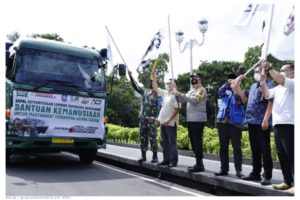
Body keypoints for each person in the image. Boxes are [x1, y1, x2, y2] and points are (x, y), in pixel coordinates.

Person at [260, 62, 294, 195]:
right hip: (278, 123)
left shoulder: (294, 83)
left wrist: (269, 68)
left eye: (284, 70)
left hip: (290, 123)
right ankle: (287, 181)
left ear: (293, 71)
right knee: (282, 154)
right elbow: (267, 94)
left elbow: (281, 78)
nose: (281, 72)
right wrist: (263, 83)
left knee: (293, 154)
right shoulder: (278, 87)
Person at [239, 66, 275, 186]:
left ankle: (267, 175)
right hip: (251, 121)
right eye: (254, 72)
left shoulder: (269, 84)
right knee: (255, 149)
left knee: (265, 149)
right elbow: (245, 99)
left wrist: (266, 119)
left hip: (262, 122)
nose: (255, 74)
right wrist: (238, 86)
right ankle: (255, 173)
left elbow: (270, 102)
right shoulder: (253, 86)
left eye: (257, 72)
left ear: (264, 73)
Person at [214, 74, 246, 178]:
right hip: (222, 122)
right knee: (223, 147)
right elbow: (220, 91)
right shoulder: (225, 93)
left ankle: (238, 170)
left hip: (235, 124)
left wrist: (236, 87)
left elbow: (240, 101)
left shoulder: (243, 92)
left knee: (237, 148)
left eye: (236, 81)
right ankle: (224, 169)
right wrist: (229, 82)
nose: (234, 83)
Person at [174, 73, 207, 172]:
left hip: (198, 120)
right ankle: (197, 163)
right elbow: (182, 99)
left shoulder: (202, 90)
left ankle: (200, 164)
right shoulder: (191, 90)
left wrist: (180, 94)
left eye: (195, 78)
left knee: (197, 141)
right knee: (193, 141)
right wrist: (176, 93)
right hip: (191, 120)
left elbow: (194, 100)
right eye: (192, 78)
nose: (193, 80)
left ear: (199, 80)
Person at [128, 70, 161, 163]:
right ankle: (143, 156)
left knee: (153, 138)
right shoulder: (145, 92)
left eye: (153, 82)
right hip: (143, 119)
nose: (152, 83)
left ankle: (155, 156)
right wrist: (131, 76)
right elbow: (136, 87)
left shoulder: (157, 94)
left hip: (152, 120)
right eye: (151, 82)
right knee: (143, 137)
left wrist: (157, 120)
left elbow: (159, 108)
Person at [152, 70, 181, 167]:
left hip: (171, 122)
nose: (169, 85)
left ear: (174, 85)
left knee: (171, 142)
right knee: (164, 141)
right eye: (168, 83)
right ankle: (166, 159)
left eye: (170, 83)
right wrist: (154, 77)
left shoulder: (176, 95)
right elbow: (155, 88)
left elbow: (178, 109)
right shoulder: (165, 93)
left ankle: (173, 161)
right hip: (163, 122)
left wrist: (169, 119)